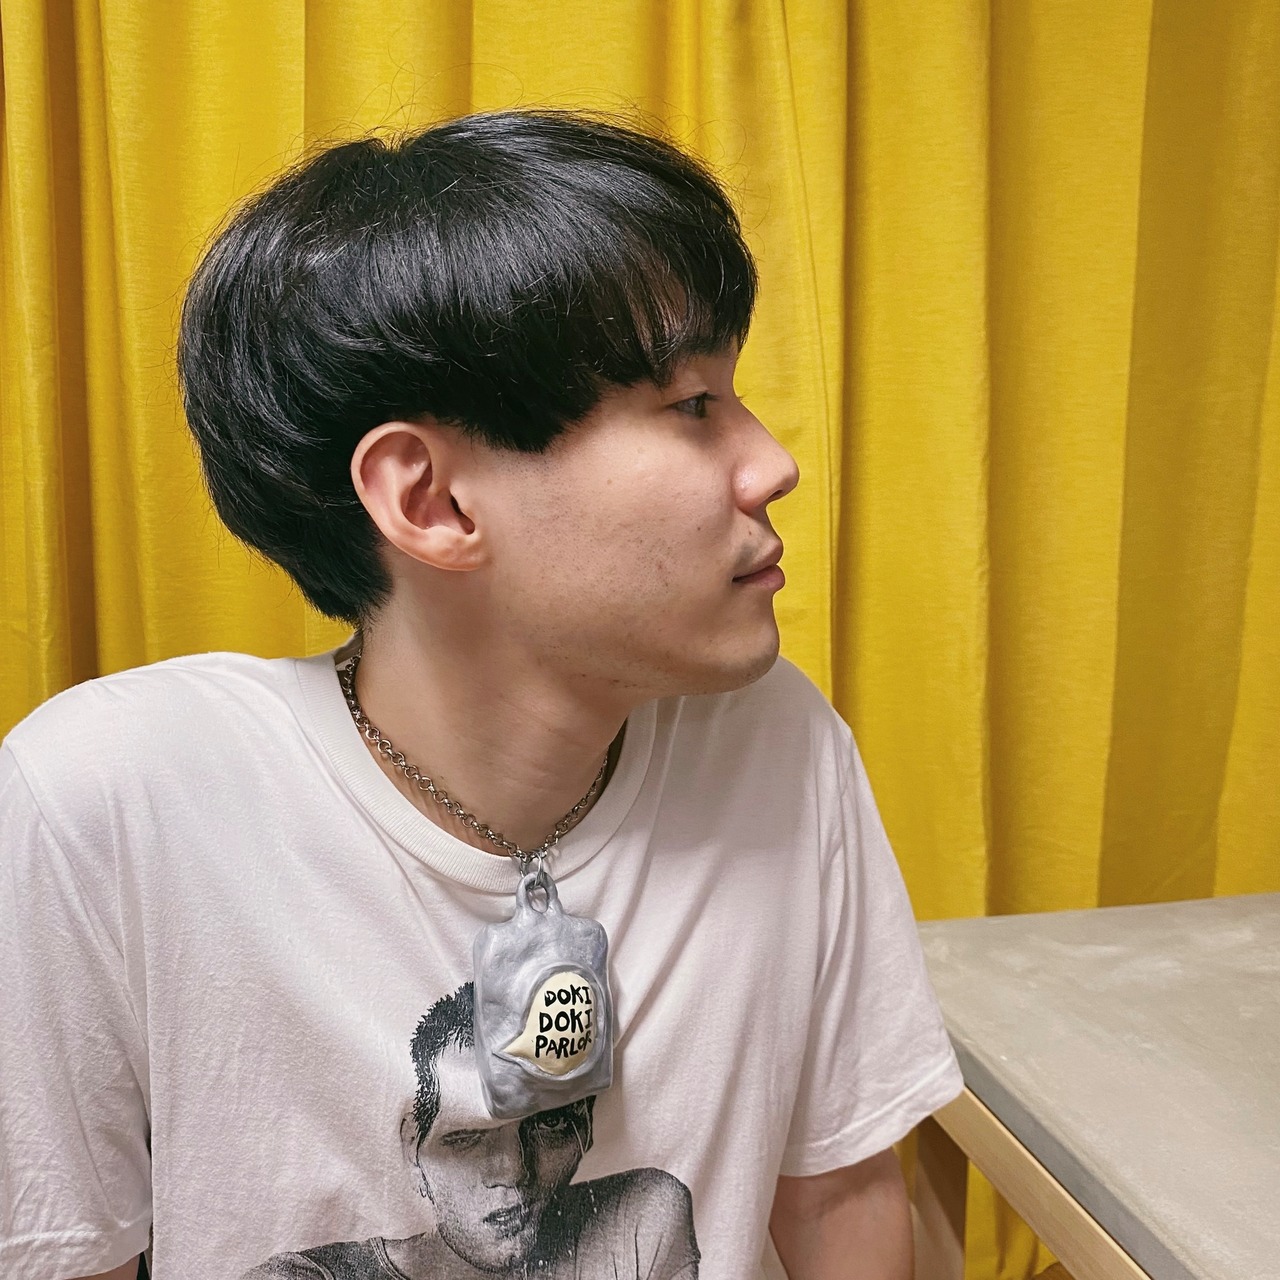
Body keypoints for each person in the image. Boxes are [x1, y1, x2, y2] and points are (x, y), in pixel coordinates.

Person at [0, 108, 963, 1280]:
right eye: (689, 405)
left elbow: (840, 1194)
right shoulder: (112, 800)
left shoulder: (771, 740)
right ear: (431, 501)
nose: (772, 462)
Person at [243, 982, 699, 1278]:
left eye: (549, 1125)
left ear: (585, 1127)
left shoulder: (636, 1222)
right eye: (466, 1136)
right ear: (413, 1151)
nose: (513, 1170)